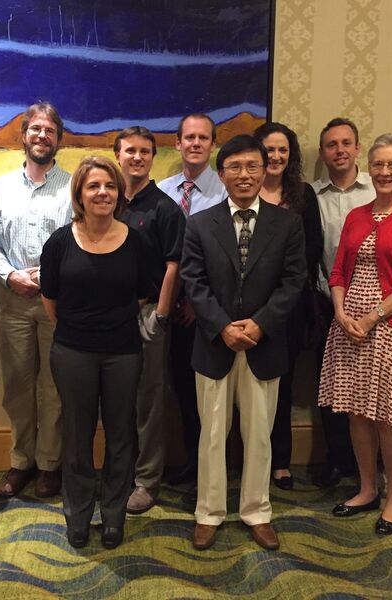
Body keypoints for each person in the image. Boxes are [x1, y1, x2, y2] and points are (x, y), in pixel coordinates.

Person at [180, 135, 306, 550]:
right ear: (222, 174)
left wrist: (260, 325)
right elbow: (192, 282)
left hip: (263, 345)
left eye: (253, 165)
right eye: (235, 167)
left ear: (265, 168)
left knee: (260, 435)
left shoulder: (287, 223)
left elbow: (294, 282)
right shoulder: (200, 223)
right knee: (212, 434)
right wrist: (223, 326)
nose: (245, 174)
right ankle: (209, 512)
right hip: (215, 345)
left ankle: (257, 510)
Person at [318, 134, 392, 535]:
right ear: (370, 168)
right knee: (356, 414)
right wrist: (340, 312)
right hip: (348, 327)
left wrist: (370, 319)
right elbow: (338, 271)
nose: (385, 172)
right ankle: (366, 489)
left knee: (389, 418)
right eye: (379, 165)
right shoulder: (357, 215)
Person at [40, 156, 152, 549]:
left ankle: (114, 516)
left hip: (123, 352)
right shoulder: (58, 242)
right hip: (73, 352)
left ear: (119, 193)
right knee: (76, 436)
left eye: (109, 186)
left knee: (122, 436)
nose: (102, 193)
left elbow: (142, 295)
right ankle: (78, 514)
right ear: (80, 195)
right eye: (93, 186)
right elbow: (50, 301)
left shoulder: (137, 241)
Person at [0, 102, 71, 499]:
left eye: (49, 130)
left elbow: (82, 239)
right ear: (23, 135)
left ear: (59, 139)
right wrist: (10, 275)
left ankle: (51, 465)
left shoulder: (74, 188)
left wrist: (50, 275)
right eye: (35, 129)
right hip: (12, 300)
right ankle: (22, 461)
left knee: (55, 386)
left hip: (59, 303)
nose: (42, 136)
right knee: (18, 385)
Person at [114, 127, 187, 514]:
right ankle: (119, 474)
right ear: (118, 155)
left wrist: (159, 314)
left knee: (148, 401)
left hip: (147, 316)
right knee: (116, 400)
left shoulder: (164, 207)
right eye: (130, 151)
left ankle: (147, 480)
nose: (137, 157)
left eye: (144, 151)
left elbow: (174, 265)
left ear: (153, 156)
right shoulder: (106, 199)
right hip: (110, 318)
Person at [253, 122, 322, 490]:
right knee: (247, 386)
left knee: (281, 383)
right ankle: (248, 457)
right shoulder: (243, 191)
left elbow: (310, 253)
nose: (276, 156)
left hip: (290, 307)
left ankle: (279, 460)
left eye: (283, 150)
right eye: (269, 149)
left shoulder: (303, 196)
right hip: (246, 308)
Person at [158, 113, 226, 485]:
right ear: (178, 143)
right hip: (167, 308)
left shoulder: (226, 191)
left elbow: (227, 260)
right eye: (189, 137)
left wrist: (198, 304)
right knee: (180, 390)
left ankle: (212, 471)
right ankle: (191, 463)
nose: (196, 143)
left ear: (212, 144)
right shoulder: (164, 191)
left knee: (209, 397)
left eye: (203, 138)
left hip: (207, 314)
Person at [311, 117, 376, 488]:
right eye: (331, 145)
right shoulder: (313, 197)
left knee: (371, 387)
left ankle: (373, 466)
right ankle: (338, 460)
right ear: (322, 153)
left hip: (375, 307)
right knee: (332, 389)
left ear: (357, 148)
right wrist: (331, 297)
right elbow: (315, 253)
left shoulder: (375, 191)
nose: (339, 150)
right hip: (327, 303)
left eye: (346, 143)